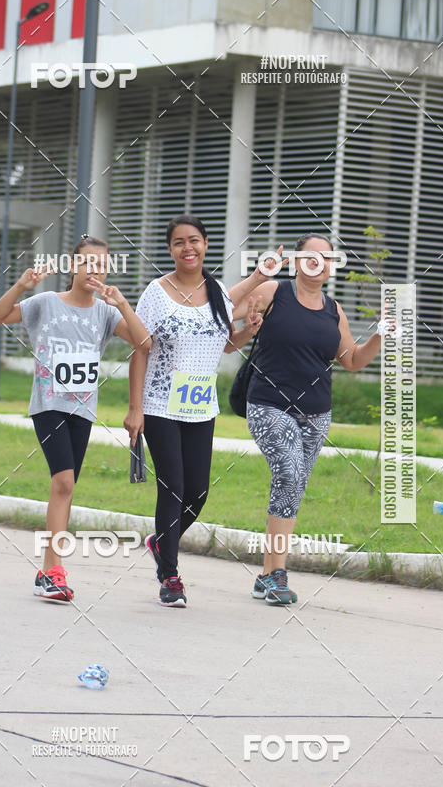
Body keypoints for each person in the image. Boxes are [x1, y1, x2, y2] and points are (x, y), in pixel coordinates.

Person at [231, 232, 388, 605]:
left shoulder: (335, 310)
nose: (319, 262)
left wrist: (380, 334)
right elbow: (223, 307)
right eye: (311, 256)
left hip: (316, 413)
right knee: (288, 472)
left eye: (327, 257)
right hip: (268, 403)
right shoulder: (273, 292)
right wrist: (256, 282)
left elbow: (351, 360)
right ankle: (278, 575)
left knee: (293, 484)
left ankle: (268, 575)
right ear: (298, 261)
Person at [0, 234, 150, 602]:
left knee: (66, 487)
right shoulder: (46, 303)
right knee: (62, 482)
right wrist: (21, 284)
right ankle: (56, 572)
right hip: (48, 406)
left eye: (102, 264)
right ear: (73, 266)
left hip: (83, 410)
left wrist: (123, 304)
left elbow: (144, 343)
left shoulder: (106, 312)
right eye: (88, 262)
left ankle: (46, 571)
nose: (95, 269)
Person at [124, 215, 262, 607]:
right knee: (173, 487)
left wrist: (248, 331)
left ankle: (159, 541)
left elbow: (222, 345)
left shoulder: (217, 291)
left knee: (197, 493)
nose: (189, 248)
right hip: (159, 404)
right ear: (170, 250)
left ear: (205, 245)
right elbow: (140, 347)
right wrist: (135, 409)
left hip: (201, 407)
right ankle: (170, 575)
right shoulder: (156, 292)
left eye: (195, 240)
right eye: (180, 242)